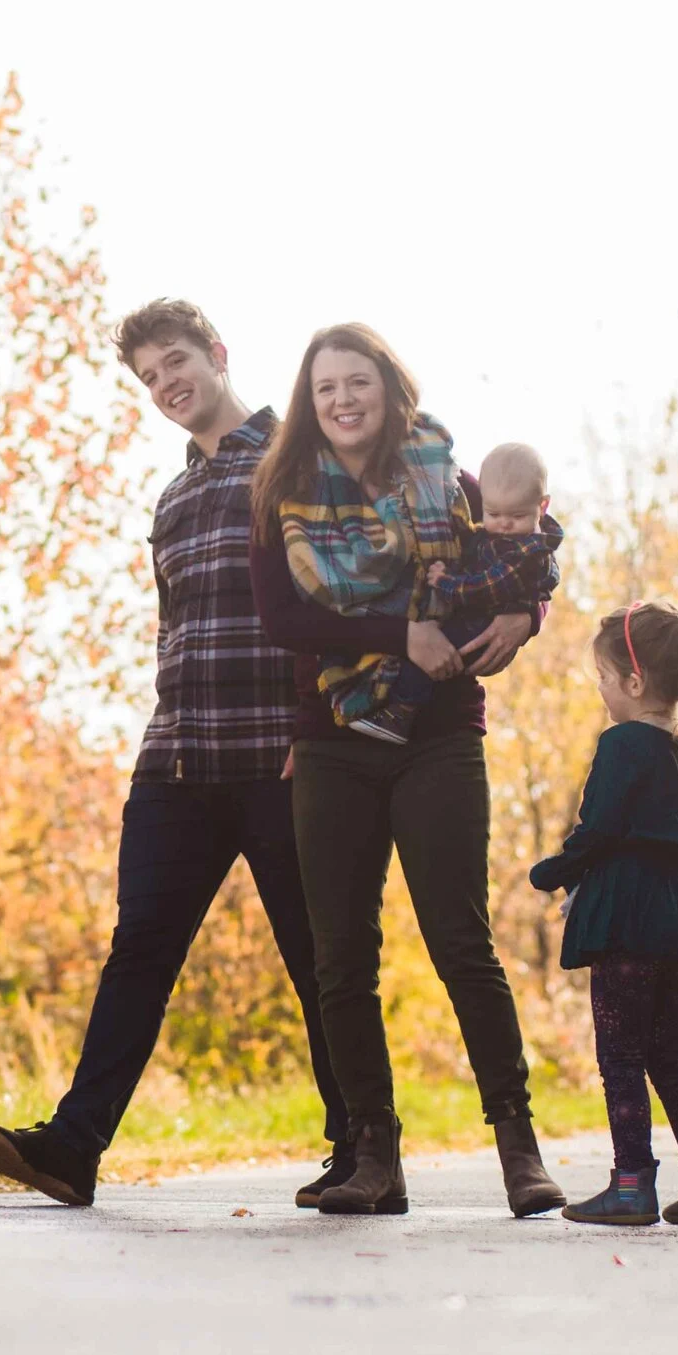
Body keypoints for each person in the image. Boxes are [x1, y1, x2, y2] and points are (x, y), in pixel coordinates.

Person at [0, 300, 351, 1209]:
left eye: (175, 362)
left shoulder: (299, 463)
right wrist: (157, 742)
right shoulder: (174, 498)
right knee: (138, 949)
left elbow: (345, 602)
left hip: (281, 758)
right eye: (147, 377)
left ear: (218, 355)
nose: (165, 384)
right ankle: (73, 1146)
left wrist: (323, 729)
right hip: (178, 762)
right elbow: (176, 630)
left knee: (317, 957)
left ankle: (363, 1151)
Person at [248, 324, 565, 1218]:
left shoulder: (442, 479)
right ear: (310, 406)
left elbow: (523, 541)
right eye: (324, 390)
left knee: (461, 942)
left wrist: (529, 616)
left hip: (439, 733)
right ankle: (374, 1161)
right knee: (341, 957)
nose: (342, 400)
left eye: (358, 382)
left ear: (388, 388)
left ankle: (520, 1151)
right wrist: (398, 635)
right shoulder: (282, 495)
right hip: (333, 741)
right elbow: (282, 620)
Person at [530, 600, 678, 1228]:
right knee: (670, 1056)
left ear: (634, 683)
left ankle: (630, 1185)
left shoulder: (622, 745)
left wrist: (553, 872)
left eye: (604, 679)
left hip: (629, 923)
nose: (600, 691)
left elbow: (601, 828)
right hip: (677, 916)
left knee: (620, 1056)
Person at [320, 441, 564, 743]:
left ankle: (399, 710)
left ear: (542, 507)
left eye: (516, 517)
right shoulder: (504, 520)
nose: (502, 525)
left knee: (432, 656)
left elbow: (486, 587)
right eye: (492, 513)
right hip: (469, 614)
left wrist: (447, 582)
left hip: (479, 622)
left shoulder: (525, 552)